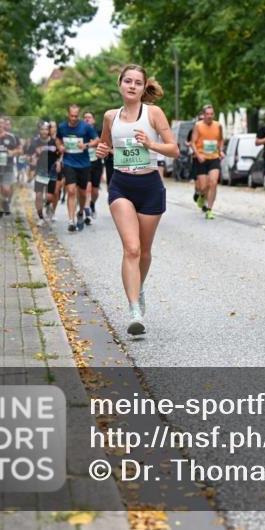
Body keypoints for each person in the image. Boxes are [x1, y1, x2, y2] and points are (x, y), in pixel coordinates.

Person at [95, 65, 178, 336]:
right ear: (119, 84)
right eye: (127, 81)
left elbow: (174, 149)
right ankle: (134, 311)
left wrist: (150, 144)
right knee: (131, 249)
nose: (132, 86)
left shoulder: (153, 113)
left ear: (144, 88)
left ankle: (139, 287)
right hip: (121, 186)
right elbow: (104, 146)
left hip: (150, 186)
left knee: (143, 251)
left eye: (137, 83)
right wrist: (101, 150)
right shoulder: (110, 116)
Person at [56, 104, 99, 232]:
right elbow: (58, 139)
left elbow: (97, 140)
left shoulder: (85, 127)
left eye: (76, 116)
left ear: (78, 115)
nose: (74, 118)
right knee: (70, 190)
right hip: (69, 162)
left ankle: (80, 212)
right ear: (68, 114)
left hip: (84, 164)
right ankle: (71, 221)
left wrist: (86, 145)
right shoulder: (62, 127)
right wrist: (60, 147)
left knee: (82, 193)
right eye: (71, 116)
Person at [191, 105, 224, 220]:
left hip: (214, 158)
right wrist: (198, 155)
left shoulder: (218, 125)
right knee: (204, 186)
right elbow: (193, 142)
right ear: (204, 115)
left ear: (213, 115)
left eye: (211, 114)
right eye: (207, 114)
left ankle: (209, 210)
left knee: (213, 183)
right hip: (202, 158)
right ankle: (201, 195)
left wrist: (221, 151)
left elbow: (221, 140)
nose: (209, 116)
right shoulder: (198, 126)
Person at [29, 122, 59, 223]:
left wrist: (59, 162)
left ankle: (48, 206)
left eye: (46, 129)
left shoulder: (54, 142)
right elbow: (28, 155)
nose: (44, 131)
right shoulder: (35, 142)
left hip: (52, 171)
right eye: (42, 129)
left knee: (50, 196)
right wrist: (32, 161)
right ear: (39, 130)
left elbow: (61, 153)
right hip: (40, 171)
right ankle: (41, 217)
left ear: (49, 130)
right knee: (38, 195)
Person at [83, 111, 105, 220]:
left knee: (95, 191)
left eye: (89, 117)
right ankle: (86, 210)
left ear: (93, 120)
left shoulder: (99, 132)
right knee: (87, 188)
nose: (87, 119)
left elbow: (103, 143)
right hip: (84, 163)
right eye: (85, 117)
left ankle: (92, 204)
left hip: (96, 163)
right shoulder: (81, 133)